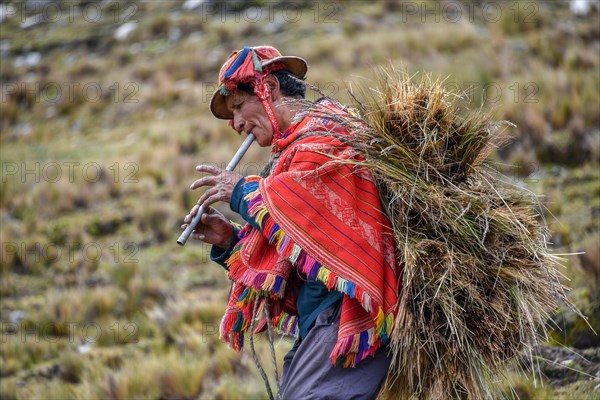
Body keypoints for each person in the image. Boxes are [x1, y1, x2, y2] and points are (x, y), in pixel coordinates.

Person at [181, 46, 399, 399]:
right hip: (323, 321)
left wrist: (240, 191)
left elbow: (308, 201)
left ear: (270, 88)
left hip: (348, 315)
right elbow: (305, 245)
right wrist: (229, 240)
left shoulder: (327, 134)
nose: (236, 125)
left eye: (238, 107)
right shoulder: (292, 154)